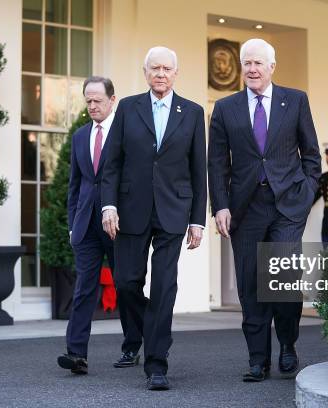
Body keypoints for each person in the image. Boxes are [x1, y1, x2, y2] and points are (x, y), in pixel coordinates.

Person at [208, 38, 321, 382]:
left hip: (287, 205)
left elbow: (311, 154)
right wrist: (220, 207)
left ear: (273, 66)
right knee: (251, 284)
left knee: (284, 280)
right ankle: (258, 359)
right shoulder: (225, 108)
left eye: (259, 63)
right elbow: (216, 163)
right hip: (245, 208)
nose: (252, 69)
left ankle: (287, 344)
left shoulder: (296, 100)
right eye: (247, 63)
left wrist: (306, 193)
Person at [101, 46, 207, 391]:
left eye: (166, 69)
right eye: (154, 69)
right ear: (145, 73)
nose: (160, 74)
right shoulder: (128, 108)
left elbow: (198, 170)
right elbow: (112, 163)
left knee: (164, 287)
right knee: (126, 282)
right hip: (131, 210)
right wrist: (109, 205)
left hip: (174, 211)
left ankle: (157, 364)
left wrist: (197, 220)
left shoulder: (191, 112)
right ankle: (153, 325)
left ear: (176, 73)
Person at [57, 76, 118, 375]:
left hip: (118, 225)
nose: (92, 106)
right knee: (84, 289)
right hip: (85, 227)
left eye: (98, 101)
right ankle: (76, 354)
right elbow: (75, 185)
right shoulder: (81, 136)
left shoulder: (124, 134)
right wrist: (72, 225)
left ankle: (138, 343)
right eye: (88, 101)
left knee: (129, 287)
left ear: (112, 100)